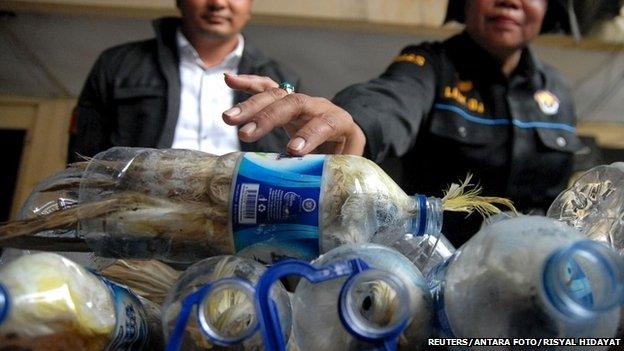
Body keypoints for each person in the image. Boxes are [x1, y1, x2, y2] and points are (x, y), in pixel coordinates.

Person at [222, 0, 584, 246]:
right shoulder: (428, 65)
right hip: (437, 277)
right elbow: (390, 101)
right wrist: (352, 122)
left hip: (535, 278)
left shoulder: (558, 91)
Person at [69, 0, 299, 161]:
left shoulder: (283, 80)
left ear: (250, 5)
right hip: (137, 213)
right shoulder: (117, 64)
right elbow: (83, 160)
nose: (218, 3)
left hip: (242, 216)